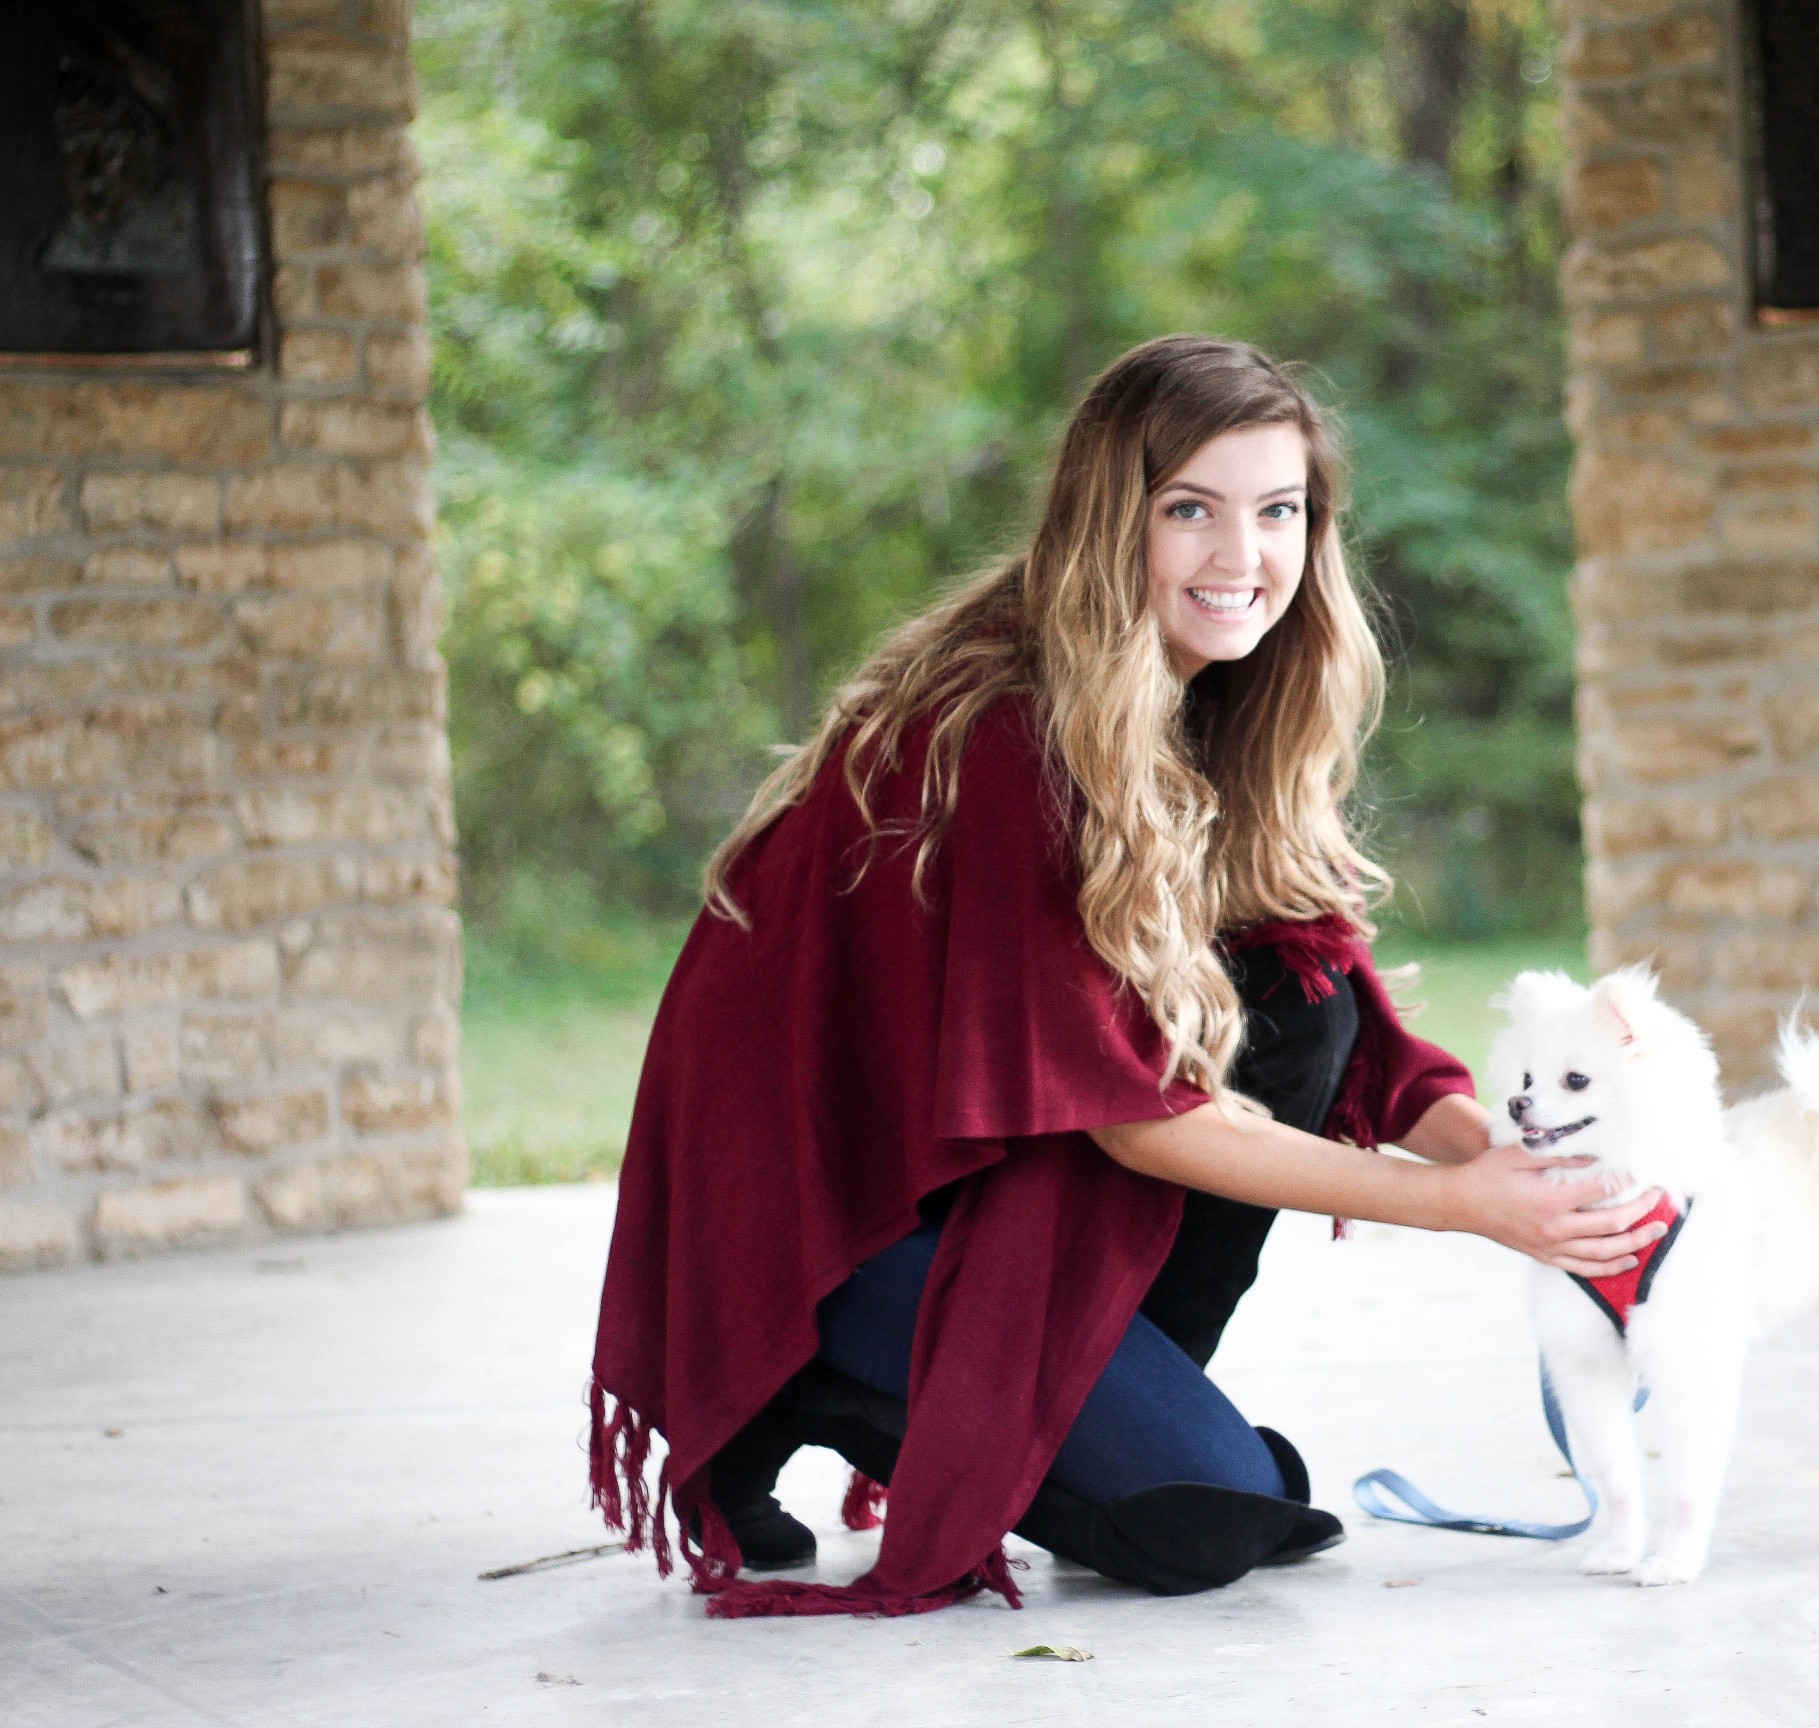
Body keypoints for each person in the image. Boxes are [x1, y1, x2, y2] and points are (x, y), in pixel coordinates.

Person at [586, 335, 1671, 1619]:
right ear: (1115, 520)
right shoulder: (1003, 730)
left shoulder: (1228, 694)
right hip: (829, 1198)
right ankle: (801, 1374)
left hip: (980, 1161)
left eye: (1278, 511)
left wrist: (1535, 1173)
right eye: (1189, 510)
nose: (1241, 557)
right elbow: (1126, 1114)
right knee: (1201, 1520)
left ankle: (1098, 1406)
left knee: (1297, 1025)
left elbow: (1351, 1028)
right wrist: (1462, 1207)